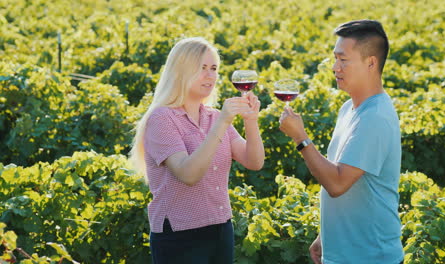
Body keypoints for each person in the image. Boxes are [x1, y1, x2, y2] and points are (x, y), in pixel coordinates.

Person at [279, 20, 404, 264]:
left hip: (371, 258)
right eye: (335, 59)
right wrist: (326, 235)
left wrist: (301, 138)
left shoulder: (374, 117)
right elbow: (349, 182)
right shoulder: (349, 109)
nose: (335, 67)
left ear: (371, 63)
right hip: (342, 255)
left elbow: (337, 184)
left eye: (343, 60)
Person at [130, 37, 265, 264]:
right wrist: (222, 122)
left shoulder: (213, 116)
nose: (210, 75)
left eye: (213, 68)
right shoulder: (162, 119)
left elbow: (254, 161)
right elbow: (188, 174)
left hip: (221, 229)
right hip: (179, 235)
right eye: (202, 68)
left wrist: (251, 121)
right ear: (181, 70)